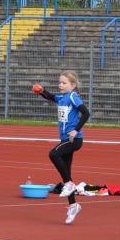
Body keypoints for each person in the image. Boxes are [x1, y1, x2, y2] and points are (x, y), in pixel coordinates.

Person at [33, 71, 90, 224]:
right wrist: (42, 91)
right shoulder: (62, 97)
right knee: (67, 174)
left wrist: (76, 130)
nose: (60, 85)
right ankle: (73, 205)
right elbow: (51, 97)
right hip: (65, 139)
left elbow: (86, 113)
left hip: (74, 140)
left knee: (53, 154)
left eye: (64, 83)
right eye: (59, 82)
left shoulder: (72, 96)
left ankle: (69, 185)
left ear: (73, 85)